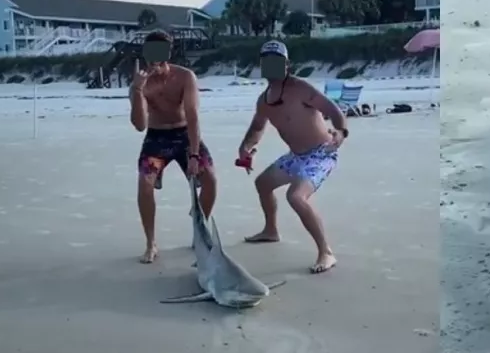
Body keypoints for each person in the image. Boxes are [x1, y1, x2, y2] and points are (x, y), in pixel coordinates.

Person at [238, 40, 348, 274]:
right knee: (263, 184)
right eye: (267, 62)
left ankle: (326, 252)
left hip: (321, 154)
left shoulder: (300, 88)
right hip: (296, 156)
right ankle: (271, 231)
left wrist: (341, 131)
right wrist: (246, 148)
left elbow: (333, 110)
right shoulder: (264, 99)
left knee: (296, 197)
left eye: (277, 62)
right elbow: (257, 128)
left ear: (286, 64)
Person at [129, 30, 216, 264]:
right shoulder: (140, 83)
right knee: (145, 184)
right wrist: (137, 90)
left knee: (210, 180)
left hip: (185, 135)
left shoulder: (184, 77)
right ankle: (151, 243)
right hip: (157, 139)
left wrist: (195, 154)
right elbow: (139, 125)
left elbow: (193, 116)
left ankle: (199, 229)